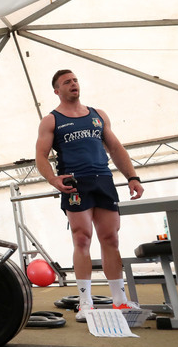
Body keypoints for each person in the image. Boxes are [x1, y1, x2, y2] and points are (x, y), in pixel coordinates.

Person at [35, 69, 145, 322]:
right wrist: (53, 179)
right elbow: (40, 156)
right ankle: (85, 303)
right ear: (57, 91)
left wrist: (133, 177)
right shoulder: (51, 120)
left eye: (75, 80)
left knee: (111, 238)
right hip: (76, 184)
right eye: (67, 82)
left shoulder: (98, 115)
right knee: (82, 238)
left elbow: (115, 148)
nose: (73, 84)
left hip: (103, 181)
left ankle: (120, 301)